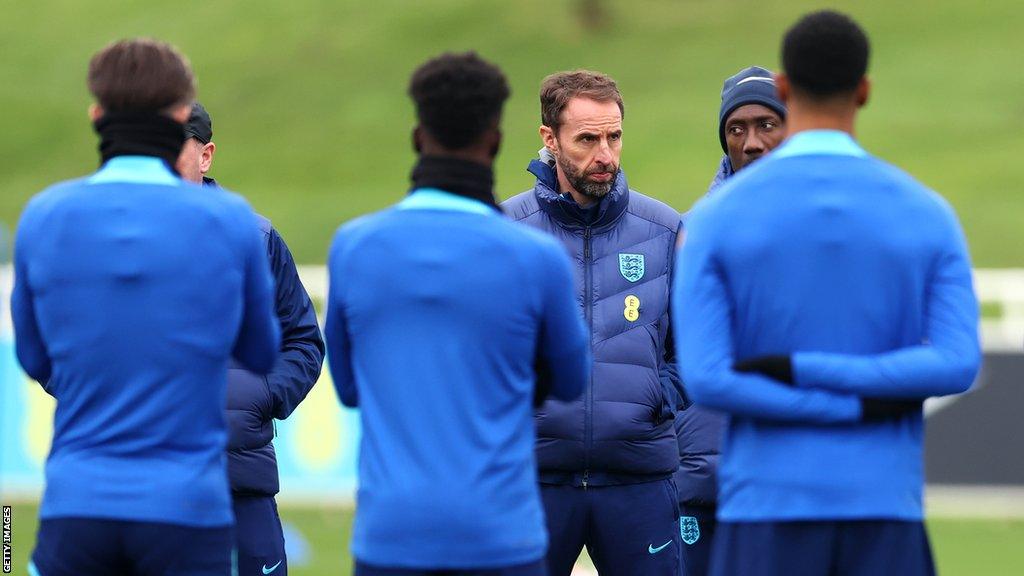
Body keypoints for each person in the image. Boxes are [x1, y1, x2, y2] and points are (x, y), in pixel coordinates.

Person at [673, 10, 980, 576]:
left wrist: (798, 370)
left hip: (765, 506)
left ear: (785, 88)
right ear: (864, 90)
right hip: (884, 506)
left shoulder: (713, 221)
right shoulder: (928, 214)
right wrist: (857, 397)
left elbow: (707, 377)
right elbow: (958, 363)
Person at [12, 39, 280, 575]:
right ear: (181, 117)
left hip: (79, 501)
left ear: (96, 115)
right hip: (186, 504)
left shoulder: (45, 215)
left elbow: (35, 358)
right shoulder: (229, 221)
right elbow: (260, 349)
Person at [325, 52, 589, 576]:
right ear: (494, 140)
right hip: (500, 536)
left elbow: (350, 389)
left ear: (418, 137)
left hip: (392, 536)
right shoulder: (535, 259)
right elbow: (571, 379)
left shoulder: (355, 247)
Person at [503, 70, 685, 576]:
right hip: (530, 480)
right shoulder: (502, 234)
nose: (605, 154)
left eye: (614, 136)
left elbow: (693, 350)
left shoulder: (665, 230)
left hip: (638, 480)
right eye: (587, 139)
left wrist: (652, 401)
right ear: (549, 139)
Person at [176, 102, 325, 576]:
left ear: (206, 156)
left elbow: (303, 340)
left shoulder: (255, 239)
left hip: (240, 481)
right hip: (144, 483)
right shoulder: (112, 240)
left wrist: (259, 396)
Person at [674, 65, 787, 576]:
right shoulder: (690, 232)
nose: (752, 142)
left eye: (767, 124)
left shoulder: (827, 225)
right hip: (706, 478)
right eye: (736, 129)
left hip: (792, 476)